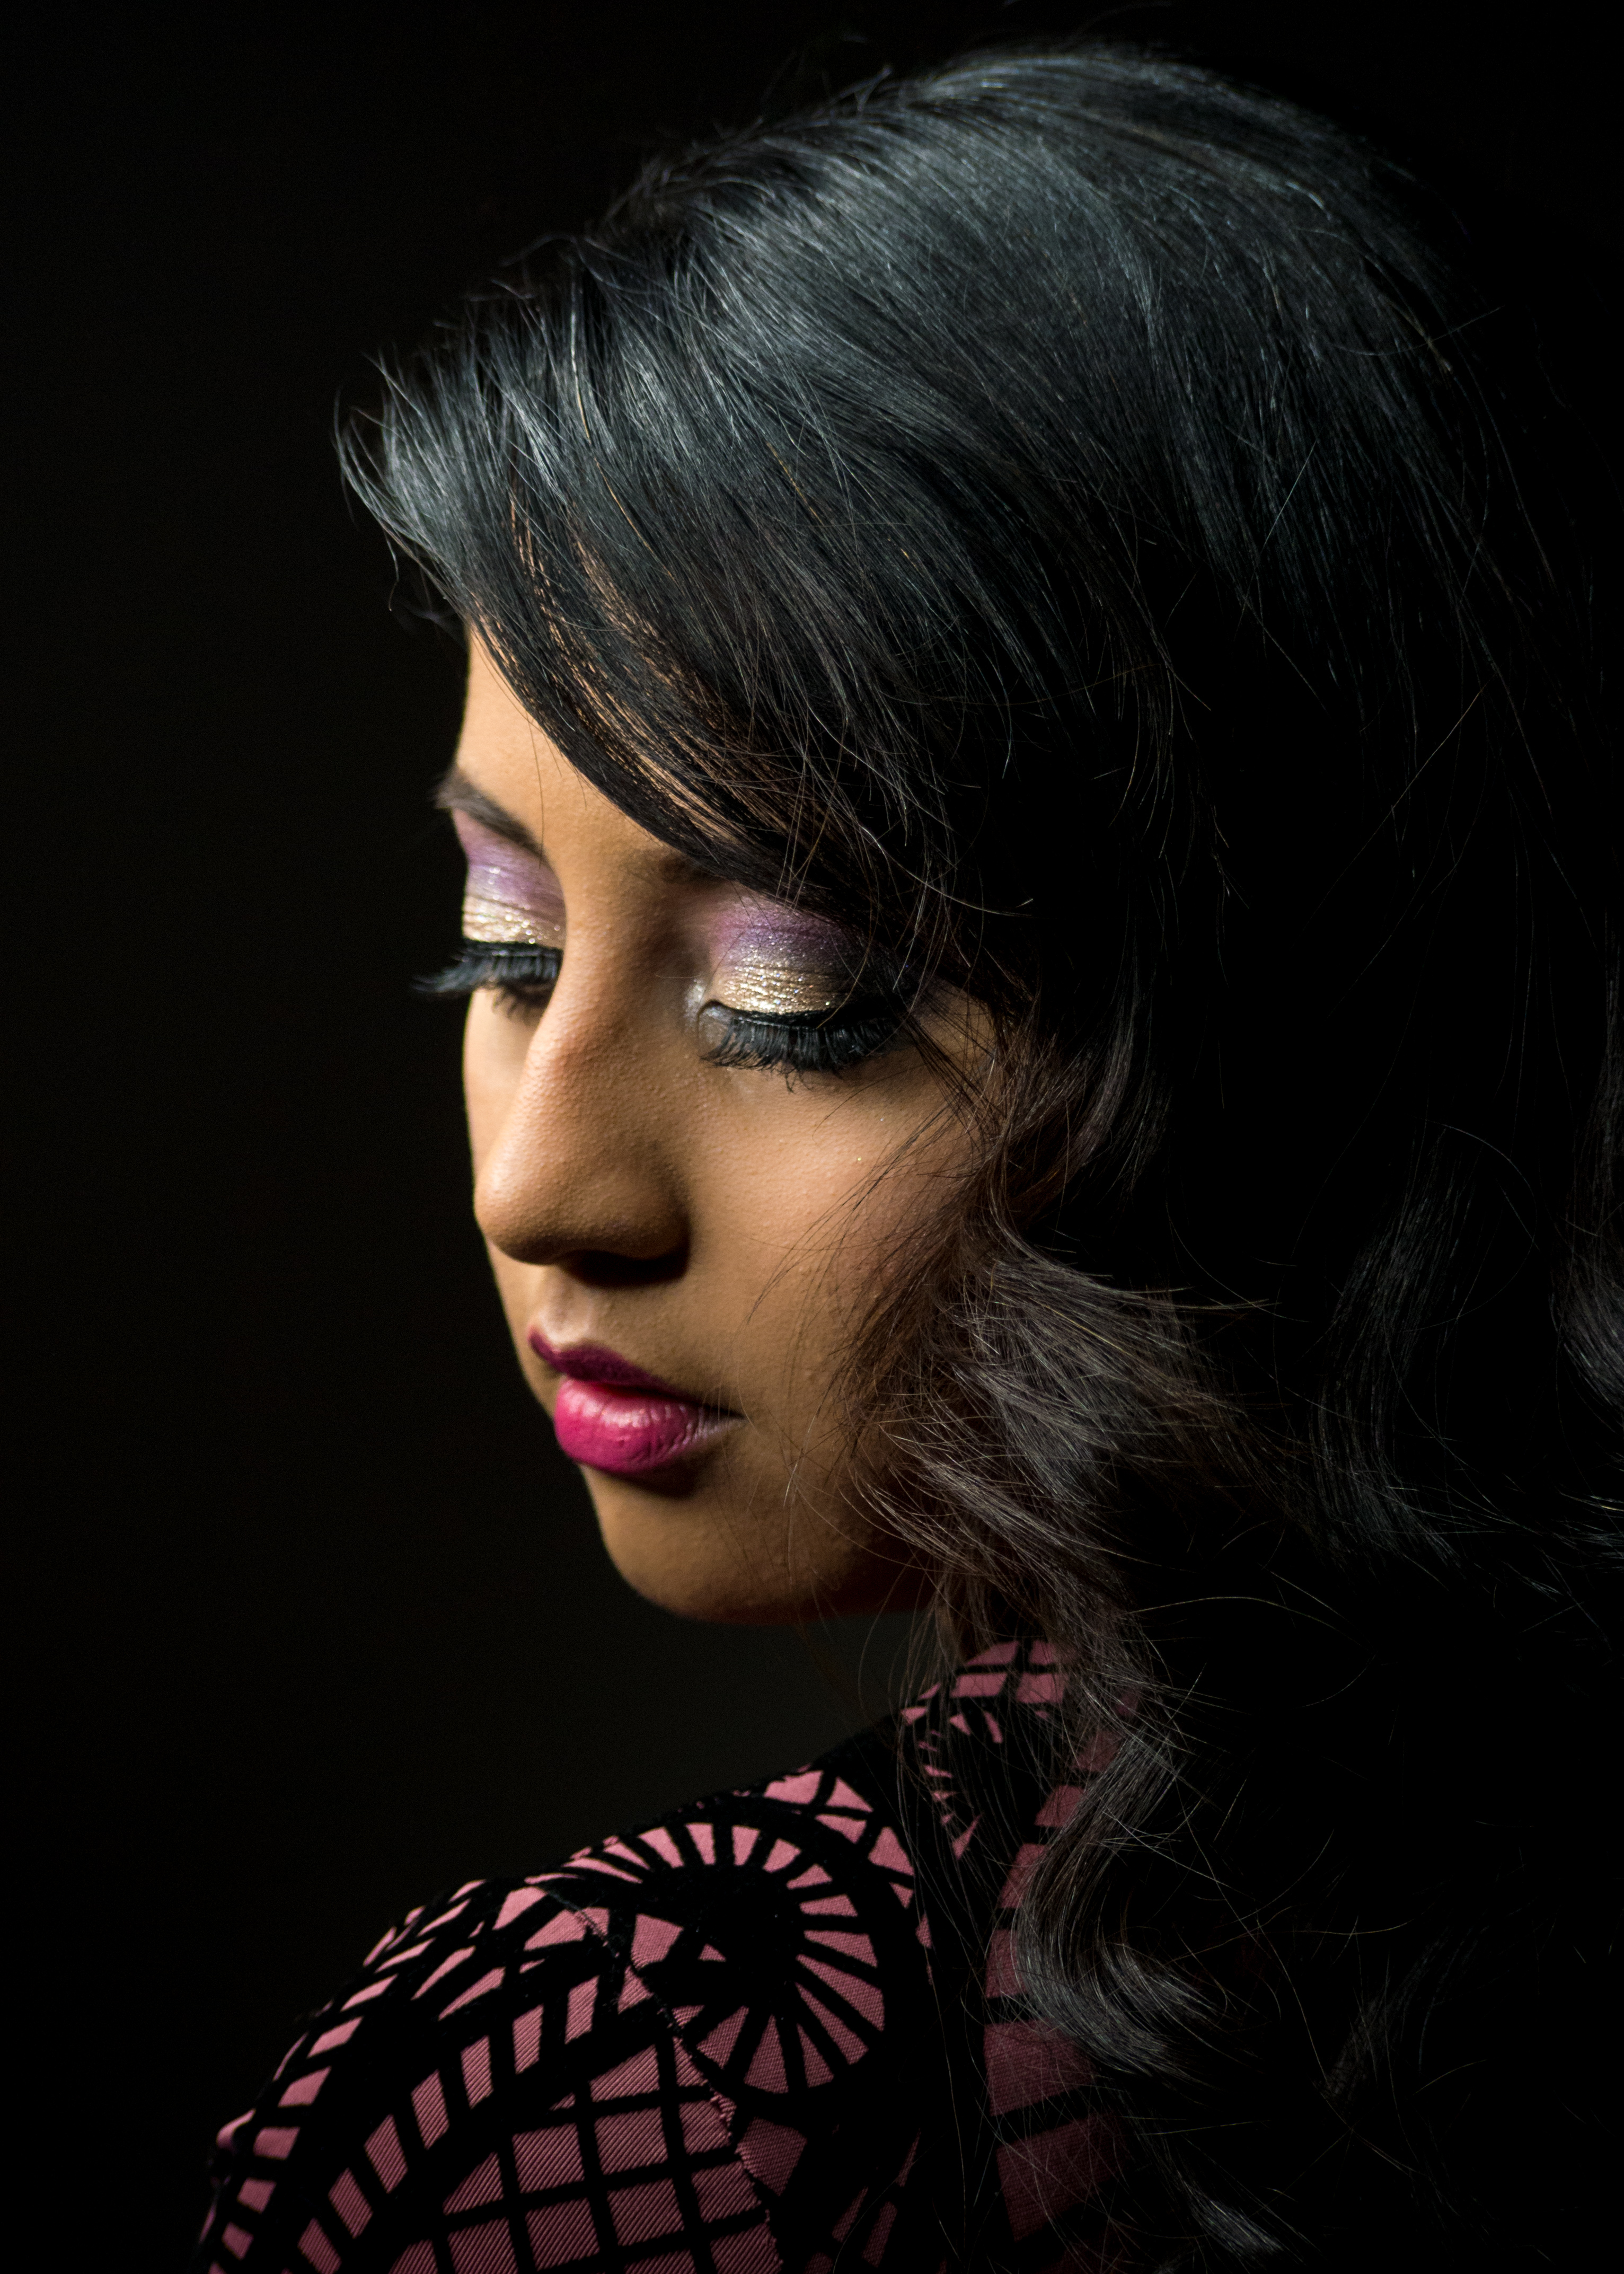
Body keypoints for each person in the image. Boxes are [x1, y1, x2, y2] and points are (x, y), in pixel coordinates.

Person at [192, 39, 1620, 2273]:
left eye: (794, 994)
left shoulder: (635, 2101)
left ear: (1307, 1009)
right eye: (504, 943)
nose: (540, 1186)